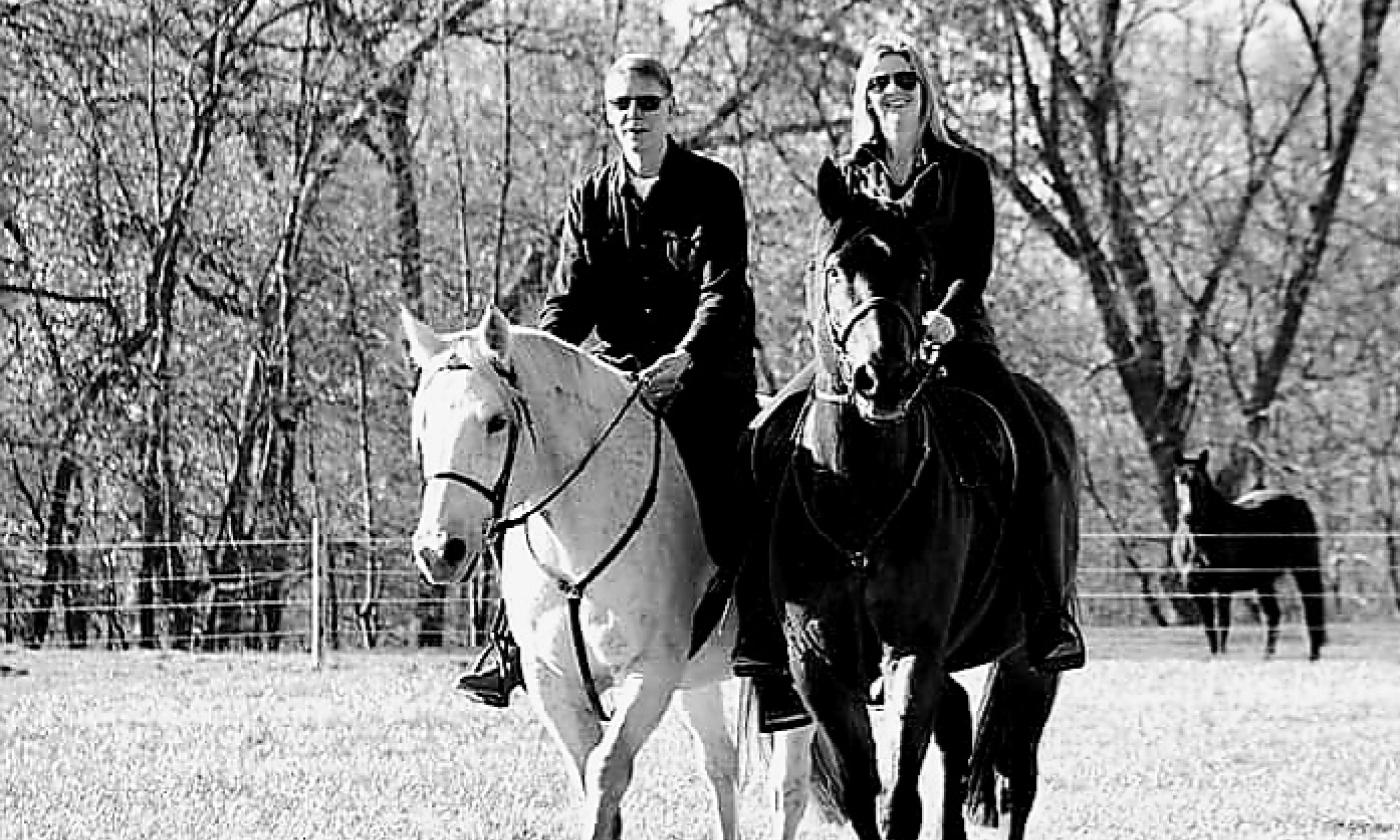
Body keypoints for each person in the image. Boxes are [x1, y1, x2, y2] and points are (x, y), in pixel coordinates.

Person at [456, 53, 810, 732]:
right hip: (617, 391)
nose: (634, 117)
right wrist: (531, 363)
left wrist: (684, 359)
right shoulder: (589, 197)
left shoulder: (714, 187)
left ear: (670, 108)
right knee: (523, 477)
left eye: (647, 103)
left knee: (754, 485)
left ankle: (767, 656)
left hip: (706, 386)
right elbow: (569, 302)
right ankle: (509, 642)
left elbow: (722, 293)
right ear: (607, 114)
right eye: (621, 105)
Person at [731, 34, 1085, 691]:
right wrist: (837, 347)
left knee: (1034, 447)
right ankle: (759, 624)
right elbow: (826, 273)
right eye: (879, 83)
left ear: (925, 92)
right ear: (864, 96)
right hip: (863, 351)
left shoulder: (964, 171)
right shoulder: (847, 175)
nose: (892, 93)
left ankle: (1047, 613)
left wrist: (946, 316)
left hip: (955, 345)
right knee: (763, 441)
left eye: (904, 81)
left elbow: (974, 263)